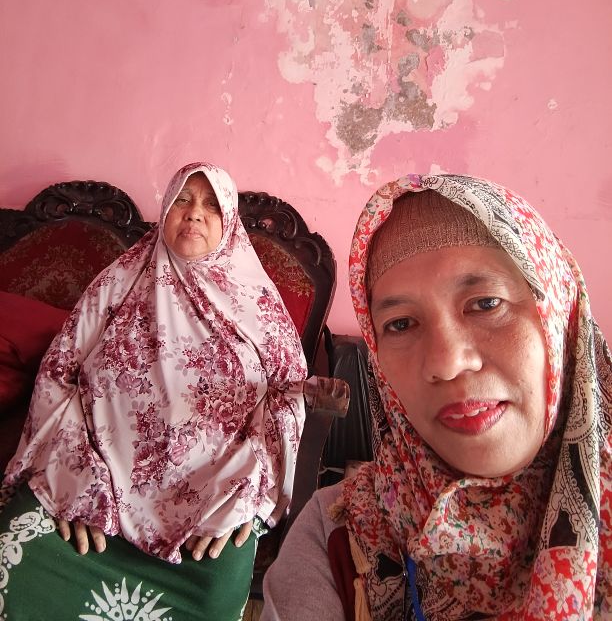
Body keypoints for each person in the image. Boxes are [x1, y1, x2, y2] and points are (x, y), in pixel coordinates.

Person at [262, 173, 611, 620]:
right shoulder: (339, 534)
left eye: (486, 303)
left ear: (560, 317)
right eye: (401, 324)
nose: (446, 363)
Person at [0, 162, 308, 620]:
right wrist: (72, 471)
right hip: (90, 481)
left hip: (210, 503)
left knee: (214, 599)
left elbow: (288, 397)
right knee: (12, 562)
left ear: (229, 222)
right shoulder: (118, 283)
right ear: (165, 210)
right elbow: (59, 371)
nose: (194, 212)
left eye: (211, 205)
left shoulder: (258, 305)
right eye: (183, 199)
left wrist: (250, 489)